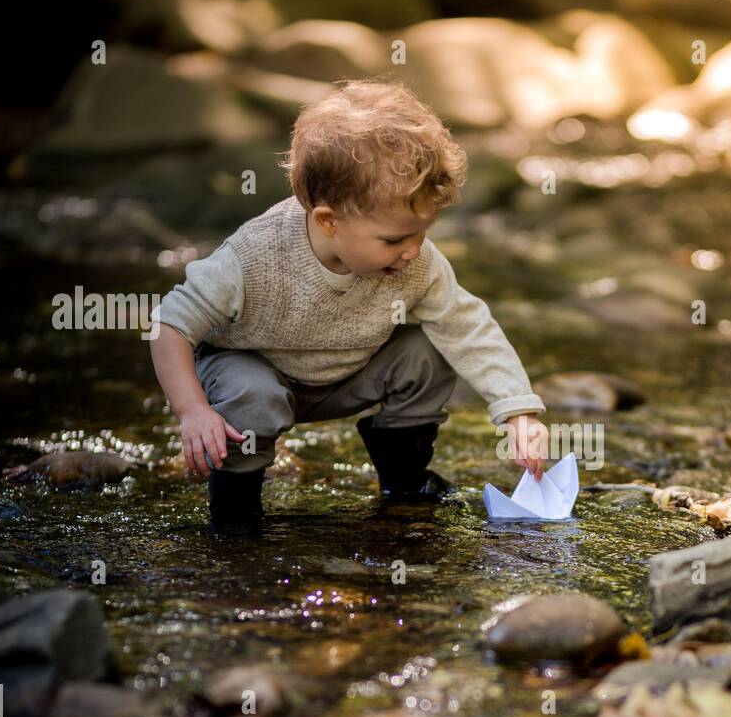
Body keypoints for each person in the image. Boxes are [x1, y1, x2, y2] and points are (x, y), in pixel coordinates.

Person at [150, 79, 549, 531]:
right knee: (254, 392)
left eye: (422, 234)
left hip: (345, 373)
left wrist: (518, 411)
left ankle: (403, 485)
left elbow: (467, 326)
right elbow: (170, 325)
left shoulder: (415, 264)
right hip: (251, 372)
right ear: (328, 221)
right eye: (395, 239)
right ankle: (236, 510)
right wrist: (192, 411)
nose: (413, 252)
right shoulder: (255, 257)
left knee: (429, 351)